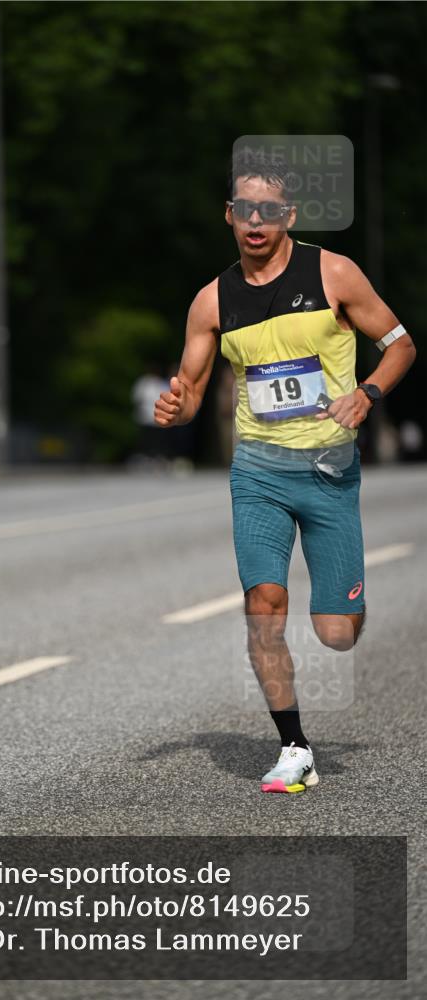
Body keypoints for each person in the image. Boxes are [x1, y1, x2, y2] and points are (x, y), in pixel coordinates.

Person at [154, 149, 416, 793]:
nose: (256, 221)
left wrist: (369, 394)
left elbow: (402, 344)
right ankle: (294, 746)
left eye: (269, 210)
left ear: (288, 216)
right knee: (263, 605)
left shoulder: (335, 274)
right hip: (259, 473)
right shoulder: (211, 301)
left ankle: (347, 600)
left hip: (329, 470)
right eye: (246, 208)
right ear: (229, 215)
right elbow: (189, 388)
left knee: (336, 635)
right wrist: (176, 405)